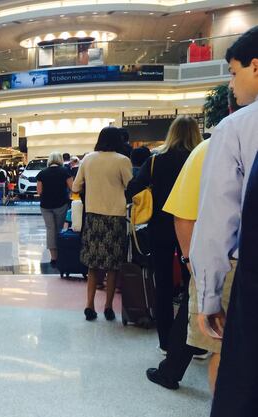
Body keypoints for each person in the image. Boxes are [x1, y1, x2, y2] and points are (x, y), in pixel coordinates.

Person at [141, 91, 243, 417]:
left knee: (179, 296)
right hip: (227, 249)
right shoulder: (206, 150)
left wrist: (190, 260)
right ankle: (180, 358)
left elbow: (182, 215)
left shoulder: (178, 157)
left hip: (189, 241)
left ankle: (172, 356)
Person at [189, 26, 258, 417]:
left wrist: (209, 294)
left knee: (242, 395)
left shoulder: (236, 128)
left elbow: (218, 217)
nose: (231, 85)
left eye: (233, 73)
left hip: (251, 279)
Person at [126, 116, 201, 354]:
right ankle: (195, 343)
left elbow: (132, 190)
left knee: (164, 284)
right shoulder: (200, 159)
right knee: (194, 285)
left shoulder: (155, 161)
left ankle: (166, 342)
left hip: (161, 227)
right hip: (194, 227)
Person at [72, 126, 133, 321]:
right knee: (112, 266)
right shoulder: (123, 161)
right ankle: (108, 307)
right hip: (115, 217)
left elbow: (75, 186)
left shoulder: (88, 159)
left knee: (93, 265)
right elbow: (131, 187)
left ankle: (89, 305)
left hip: (93, 217)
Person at [37, 152, 73, 266]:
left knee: (50, 229)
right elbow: (72, 187)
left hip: (45, 205)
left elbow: (39, 191)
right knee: (58, 229)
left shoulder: (42, 173)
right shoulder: (65, 171)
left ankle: (53, 257)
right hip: (61, 204)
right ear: (60, 160)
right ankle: (61, 254)